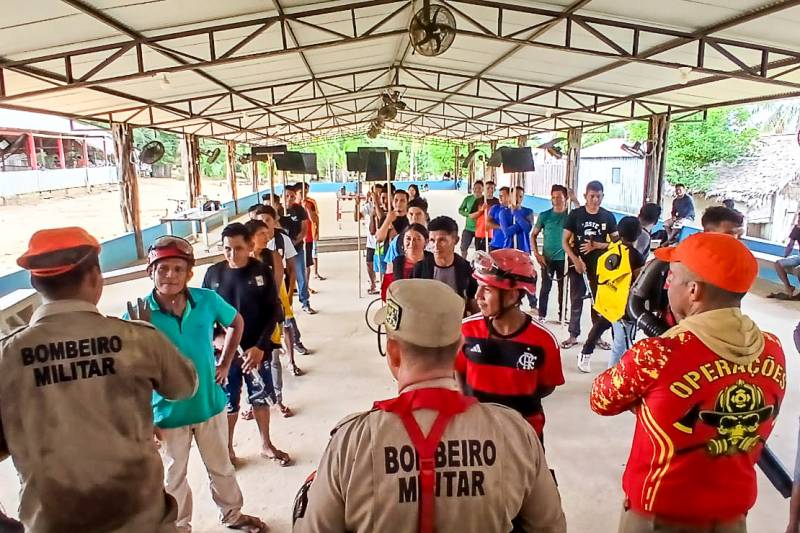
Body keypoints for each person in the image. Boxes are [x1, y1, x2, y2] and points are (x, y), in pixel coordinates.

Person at [293, 279, 567, 533]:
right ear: (460, 347)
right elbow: (550, 527)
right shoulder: (515, 433)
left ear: (394, 353)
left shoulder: (351, 443)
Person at [0, 227, 197, 532]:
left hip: (53, 522)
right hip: (141, 517)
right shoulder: (138, 338)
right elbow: (184, 386)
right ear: (94, 277)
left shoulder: (7, 356)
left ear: (35, 282)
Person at [591, 232, 786, 533]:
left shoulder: (658, 354)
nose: (666, 285)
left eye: (672, 277)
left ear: (694, 290)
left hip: (660, 515)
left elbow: (600, 399)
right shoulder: (773, 349)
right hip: (733, 512)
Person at [132, 235, 267, 533]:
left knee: (221, 468)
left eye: (178, 269)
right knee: (172, 477)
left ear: (189, 274)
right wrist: (142, 417)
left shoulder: (206, 300)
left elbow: (236, 323)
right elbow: (130, 370)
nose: (170, 275)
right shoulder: (139, 312)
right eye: (163, 268)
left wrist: (226, 362)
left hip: (209, 403)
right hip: (166, 412)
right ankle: (179, 527)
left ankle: (233, 515)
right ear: (150, 271)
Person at [202, 223, 292, 467]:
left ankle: (266, 444)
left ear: (250, 247)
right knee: (228, 401)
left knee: (260, 398)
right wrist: (217, 340)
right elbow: (203, 314)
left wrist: (261, 347)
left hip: (255, 351)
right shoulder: (213, 274)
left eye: (238, 248)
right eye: (227, 249)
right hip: (225, 355)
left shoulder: (261, 271)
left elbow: (274, 311)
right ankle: (228, 449)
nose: (232, 255)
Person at [458, 249, 564, 442]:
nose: (478, 295)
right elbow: (457, 372)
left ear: (512, 296)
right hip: (476, 436)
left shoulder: (544, 341)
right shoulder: (465, 331)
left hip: (524, 437)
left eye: (487, 290)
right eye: (479, 286)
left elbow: (547, 386)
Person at [628, 206, 745, 341]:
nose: (739, 241)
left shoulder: (736, 267)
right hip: (680, 333)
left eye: (741, 236)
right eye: (732, 234)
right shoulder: (682, 263)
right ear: (710, 233)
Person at [245, 218, 298, 416]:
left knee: (272, 357)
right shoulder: (243, 259)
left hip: (268, 313)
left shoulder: (273, 256)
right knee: (249, 362)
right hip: (248, 317)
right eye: (262, 234)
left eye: (268, 233)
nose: (268, 237)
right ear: (251, 237)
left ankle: (277, 399)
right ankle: (253, 402)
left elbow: (275, 286)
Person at [577, 216, 645, 372]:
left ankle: (585, 353)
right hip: (623, 306)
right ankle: (611, 377)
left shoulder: (612, 249)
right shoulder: (636, 256)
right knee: (621, 345)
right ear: (638, 234)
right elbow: (639, 282)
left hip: (608, 298)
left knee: (602, 325)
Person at [561, 180, 618, 351]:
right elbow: (564, 241)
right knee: (576, 299)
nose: (595, 200)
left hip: (601, 268)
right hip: (578, 266)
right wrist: (576, 260)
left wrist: (598, 246)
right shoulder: (576, 215)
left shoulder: (608, 216)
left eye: (598, 196)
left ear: (603, 196)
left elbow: (617, 243)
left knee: (598, 302)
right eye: (591, 196)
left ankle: (597, 335)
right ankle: (573, 334)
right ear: (585, 196)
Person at [255, 205, 311, 359]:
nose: (265, 223)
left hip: (281, 289)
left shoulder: (282, 240)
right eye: (261, 221)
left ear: (275, 221)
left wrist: (291, 291)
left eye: (268, 220)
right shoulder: (254, 244)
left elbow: (291, 269)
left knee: (288, 321)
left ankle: (295, 346)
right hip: (263, 294)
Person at [411, 216, 478, 314]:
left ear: (456, 240)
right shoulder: (420, 268)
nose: (436, 246)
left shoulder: (465, 268)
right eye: (432, 240)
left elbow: (473, 300)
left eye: (442, 240)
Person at [533, 185, 568, 323]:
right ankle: (542, 314)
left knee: (563, 289)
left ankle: (562, 316)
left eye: (559, 197)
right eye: (553, 197)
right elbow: (533, 235)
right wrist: (537, 254)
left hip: (564, 258)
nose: (556, 200)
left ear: (566, 198)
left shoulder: (570, 216)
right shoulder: (544, 215)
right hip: (547, 258)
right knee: (545, 287)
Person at [284, 184, 316, 314]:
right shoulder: (278, 211)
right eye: (287, 196)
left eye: (292, 196)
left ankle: (305, 302)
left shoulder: (299, 210)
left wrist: (294, 242)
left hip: (296, 248)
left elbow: (304, 230)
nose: (289, 199)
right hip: (281, 250)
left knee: (301, 275)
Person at [301, 182, 326, 285]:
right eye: (303, 190)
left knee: (311, 256)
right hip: (300, 237)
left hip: (310, 233)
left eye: (306, 189)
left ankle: (314, 274)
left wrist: (307, 209)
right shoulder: (294, 204)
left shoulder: (311, 202)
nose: (305, 192)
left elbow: (315, 218)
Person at [359, 184, 381, 295]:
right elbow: (357, 217)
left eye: (379, 193)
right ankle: (373, 283)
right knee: (369, 263)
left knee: (381, 264)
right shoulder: (368, 206)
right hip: (371, 241)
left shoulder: (384, 207)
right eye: (375, 193)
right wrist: (356, 204)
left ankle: (381, 284)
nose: (377, 196)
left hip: (380, 242)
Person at [458, 179, 483, 257]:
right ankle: (463, 262)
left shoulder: (485, 200)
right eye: (475, 188)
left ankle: (477, 265)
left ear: (483, 189)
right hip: (468, 228)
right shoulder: (468, 199)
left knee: (479, 250)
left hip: (480, 229)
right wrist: (468, 214)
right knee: (463, 247)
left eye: (479, 188)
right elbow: (460, 210)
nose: (477, 190)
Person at [472, 181, 498, 252]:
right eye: (488, 188)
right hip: (480, 233)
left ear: (495, 189)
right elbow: (472, 216)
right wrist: (481, 210)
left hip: (493, 234)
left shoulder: (498, 202)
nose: (490, 190)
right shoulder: (478, 201)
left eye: (492, 188)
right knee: (480, 256)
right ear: (484, 189)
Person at [487, 186, 511, 252]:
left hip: (510, 245)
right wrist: (501, 227)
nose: (500, 198)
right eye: (499, 195)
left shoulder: (514, 210)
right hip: (496, 244)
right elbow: (487, 223)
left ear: (510, 196)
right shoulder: (495, 208)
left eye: (502, 196)